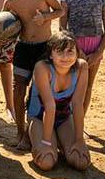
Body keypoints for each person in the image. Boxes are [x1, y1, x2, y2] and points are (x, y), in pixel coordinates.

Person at [1, 0, 63, 149]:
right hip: (23, 48)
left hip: (44, 48)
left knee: (38, 92)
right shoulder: (10, 2)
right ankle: (21, 132)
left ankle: (36, 129)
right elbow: (2, 25)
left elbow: (61, 10)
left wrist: (46, 17)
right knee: (18, 90)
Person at [27, 31, 91, 171]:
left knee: (81, 162)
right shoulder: (42, 68)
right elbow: (49, 106)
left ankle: (61, 141)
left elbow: (78, 103)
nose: (65, 56)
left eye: (70, 51)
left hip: (63, 118)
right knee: (47, 162)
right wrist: (46, 142)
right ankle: (37, 135)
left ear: (77, 53)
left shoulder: (82, 67)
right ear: (51, 54)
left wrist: (80, 140)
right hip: (39, 118)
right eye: (60, 52)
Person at [59, 0, 105, 115]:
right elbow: (62, 27)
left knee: (88, 85)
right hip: (72, 47)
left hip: (95, 47)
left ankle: (80, 121)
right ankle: (66, 119)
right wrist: (76, 50)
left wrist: (98, 53)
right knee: (70, 85)